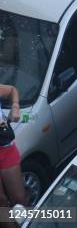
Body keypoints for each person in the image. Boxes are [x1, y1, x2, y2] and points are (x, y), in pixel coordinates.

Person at [0, 84, 27, 215]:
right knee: (1, 203)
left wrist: (15, 107)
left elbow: (12, 90)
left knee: (19, 201)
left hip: (5, 149)